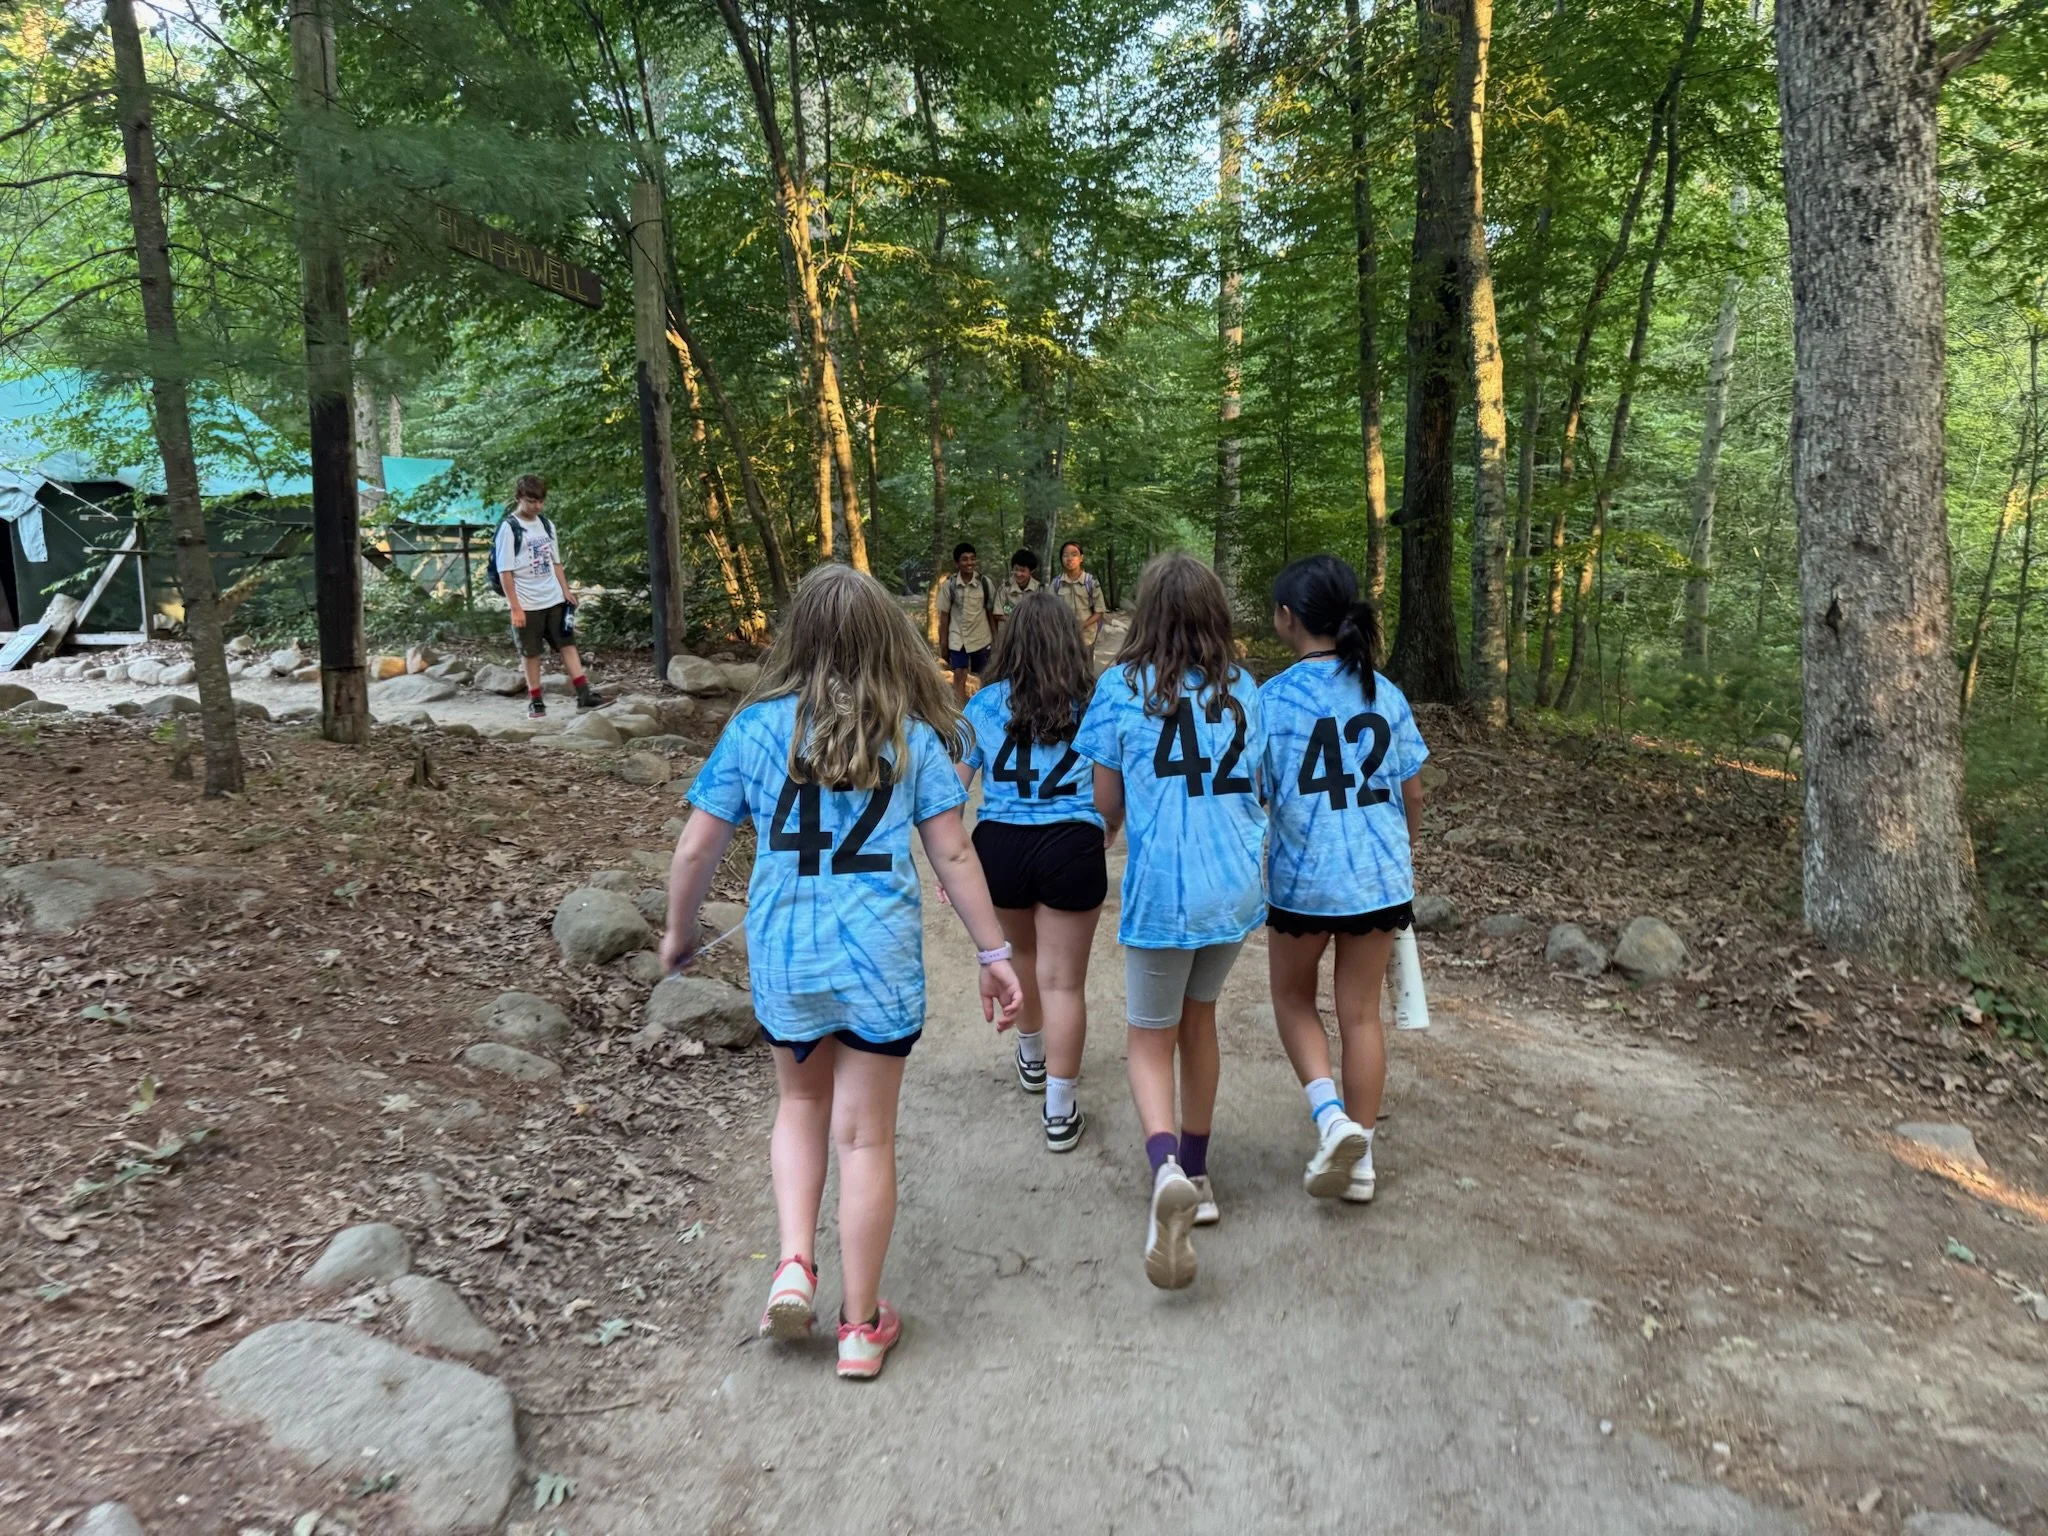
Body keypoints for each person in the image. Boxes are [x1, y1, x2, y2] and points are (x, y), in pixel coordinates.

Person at [660, 565, 1024, 1380]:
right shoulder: (913, 738)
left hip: (788, 956)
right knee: (866, 1137)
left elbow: (695, 848)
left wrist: (680, 936)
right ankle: (861, 1328)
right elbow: (955, 851)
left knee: (799, 1105)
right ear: (886, 642)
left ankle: (793, 1262)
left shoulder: (755, 732)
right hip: (881, 965)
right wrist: (995, 954)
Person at [1073, 552, 1265, 1290]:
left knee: (1148, 1042)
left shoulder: (1120, 691)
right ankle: (1202, 1171)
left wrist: (1108, 831)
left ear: (1146, 613)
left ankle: (1166, 1174)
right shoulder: (1248, 689)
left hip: (1166, 895)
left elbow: (1106, 804)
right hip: (1235, 893)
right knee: (1201, 1022)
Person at [1258, 554, 1426, 1207]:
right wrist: (1402, 849)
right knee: (1361, 1016)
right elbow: (1412, 792)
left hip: (1304, 877)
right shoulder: (1385, 692)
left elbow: (1262, 793)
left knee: (1293, 1000)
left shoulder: (1271, 701)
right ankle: (1362, 1161)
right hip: (1380, 879)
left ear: (1288, 618)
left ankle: (1329, 1118)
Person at [957, 591, 1105, 1152]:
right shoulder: (1094, 703)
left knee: (1018, 956)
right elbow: (1114, 785)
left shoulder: (985, 704)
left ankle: (1033, 1052)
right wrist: (1107, 824)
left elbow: (954, 788)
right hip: (1072, 840)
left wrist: (956, 867)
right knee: (1064, 980)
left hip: (1001, 845)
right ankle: (1061, 1111)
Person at [493, 474, 601, 718]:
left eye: (541, 501)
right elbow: (505, 571)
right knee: (531, 652)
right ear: (519, 498)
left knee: (567, 643)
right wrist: (515, 607)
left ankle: (584, 693)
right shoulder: (509, 528)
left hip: (553, 598)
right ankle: (536, 700)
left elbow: (556, 561)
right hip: (527, 602)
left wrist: (565, 590)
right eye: (531, 501)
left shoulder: (546, 524)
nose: (537, 506)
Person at [935, 541, 996, 702]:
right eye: (964, 559)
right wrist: (943, 646)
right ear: (957, 563)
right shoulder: (950, 586)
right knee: (959, 675)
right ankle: (960, 712)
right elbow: (944, 617)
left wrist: (996, 640)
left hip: (981, 637)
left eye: (972, 559)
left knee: (984, 677)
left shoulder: (985, 583)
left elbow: (991, 613)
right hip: (958, 638)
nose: (969, 563)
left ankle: (984, 709)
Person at [1050, 540, 1106, 652]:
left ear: (1081, 558)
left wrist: (1083, 625)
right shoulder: (1056, 583)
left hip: (1086, 637)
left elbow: (1099, 611)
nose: (1069, 558)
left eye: (1074, 554)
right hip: (1062, 638)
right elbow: (1049, 610)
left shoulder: (1091, 582)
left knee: (1086, 668)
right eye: (1065, 555)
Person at [994, 548, 1043, 635]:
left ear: (1031, 571)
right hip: (1009, 636)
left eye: (1022, 571)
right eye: (1016, 569)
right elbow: (998, 614)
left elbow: (1043, 615)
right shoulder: (1004, 588)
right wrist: (1016, 621)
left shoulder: (1039, 589)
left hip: (1031, 635)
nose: (1018, 574)